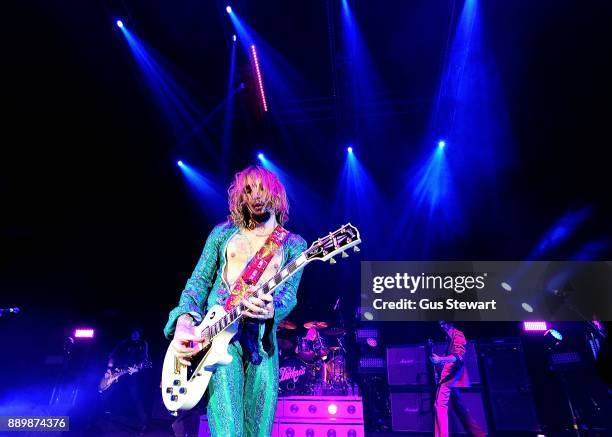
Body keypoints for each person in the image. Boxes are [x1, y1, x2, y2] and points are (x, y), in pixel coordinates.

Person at [164, 165, 306, 437]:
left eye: (262, 188)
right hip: (219, 338)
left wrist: (273, 308)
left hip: (262, 345)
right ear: (240, 195)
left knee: (259, 430)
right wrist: (183, 321)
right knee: (228, 429)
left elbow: (290, 292)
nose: (256, 195)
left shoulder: (293, 244)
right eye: (249, 189)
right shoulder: (223, 233)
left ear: (276, 191)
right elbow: (198, 283)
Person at [431, 321, 486, 437]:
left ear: (450, 323)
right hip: (451, 377)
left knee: (439, 405)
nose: (441, 326)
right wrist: (439, 366)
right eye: (440, 324)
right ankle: (479, 434)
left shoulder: (458, 335)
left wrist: (440, 359)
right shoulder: (449, 338)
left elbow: (458, 357)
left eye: (443, 323)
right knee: (459, 407)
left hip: (451, 377)